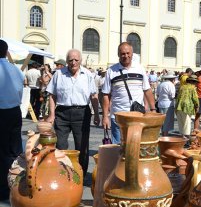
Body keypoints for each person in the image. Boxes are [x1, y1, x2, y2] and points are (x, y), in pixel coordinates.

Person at [46, 49, 100, 177]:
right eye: (70, 60)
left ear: (80, 61)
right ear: (67, 61)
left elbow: (93, 96)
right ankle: (62, 173)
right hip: (62, 113)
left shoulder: (87, 74)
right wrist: (52, 114)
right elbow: (52, 95)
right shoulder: (59, 74)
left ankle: (80, 173)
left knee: (82, 146)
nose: (73, 62)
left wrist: (97, 114)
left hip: (82, 113)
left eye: (76, 60)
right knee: (60, 144)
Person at [101, 42, 156, 144]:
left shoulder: (140, 68)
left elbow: (147, 90)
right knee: (118, 149)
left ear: (132, 53)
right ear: (118, 54)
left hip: (137, 116)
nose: (125, 56)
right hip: (118, 117)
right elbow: (106, 95)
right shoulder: (111, 71)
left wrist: (153, 109)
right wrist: (105, 116)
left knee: (137, 146)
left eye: (128, 53)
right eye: (122, 53)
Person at [0, 40, 24, 200]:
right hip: (14, 111)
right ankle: (16, 182)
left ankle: (3, 187)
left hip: (1, 112)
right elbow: (20, 90)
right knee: (14, 149)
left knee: (2, 151)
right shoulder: (15, 69)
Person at [176, 75, 199, 140]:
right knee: (187, 123)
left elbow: (177, 97)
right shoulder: (192, 88)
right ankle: (186, 139)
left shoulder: (182, 87)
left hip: (179, 106)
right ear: (193, 82)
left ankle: (182, 137)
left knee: (181, 122)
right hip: (187, 107)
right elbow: (195, 99)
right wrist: (197, 107)